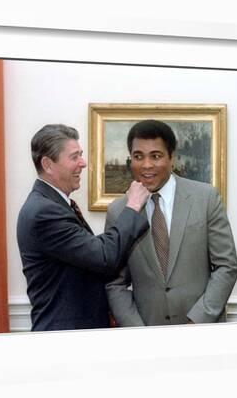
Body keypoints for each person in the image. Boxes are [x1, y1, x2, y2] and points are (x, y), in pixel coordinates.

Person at [17, 124, 150, 331]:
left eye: (81, 155)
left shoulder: (54, 204)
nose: (83, 163)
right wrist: (132, 206)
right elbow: (104, 257)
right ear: (48, 164)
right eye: (74, 157)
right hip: (66, 336)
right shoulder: (44, 212)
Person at [105, 120, 237, 326]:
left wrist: (198, 319)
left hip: (203, 330)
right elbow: (115, 283)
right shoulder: (119, 211)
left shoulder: (205, 198)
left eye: (156, 156)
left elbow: (226, 266)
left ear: (171, 158)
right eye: (138, 156)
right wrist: (136, 329)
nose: (147, 165)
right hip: (146, 334)